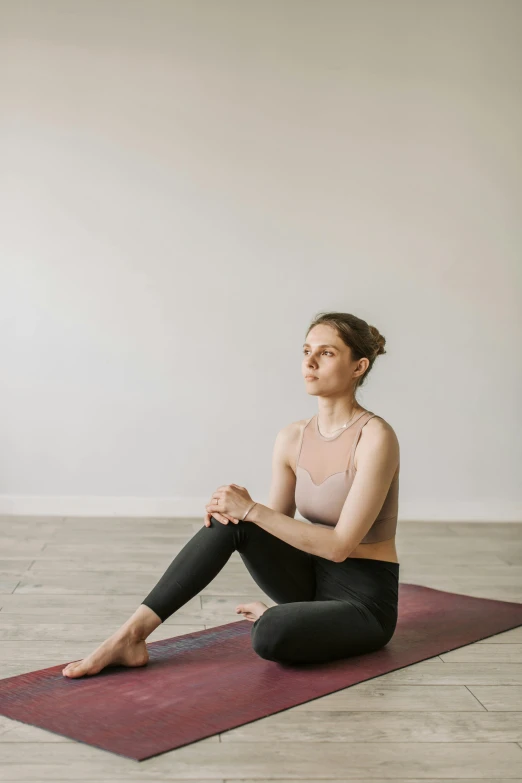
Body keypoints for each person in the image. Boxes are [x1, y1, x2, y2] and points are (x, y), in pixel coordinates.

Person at [62, 311, 400, 677]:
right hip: (309, 581)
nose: (310, 361)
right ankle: (130, 636)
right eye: (306, 351)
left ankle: (278, 619)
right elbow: (276, 528)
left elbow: (339, 547)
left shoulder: (375, 437)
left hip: (364, 599)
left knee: (271, 634)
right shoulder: (293, 437)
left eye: (327, 353)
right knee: (231, 523)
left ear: (358, 366)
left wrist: (252, 508)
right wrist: (235, 512)